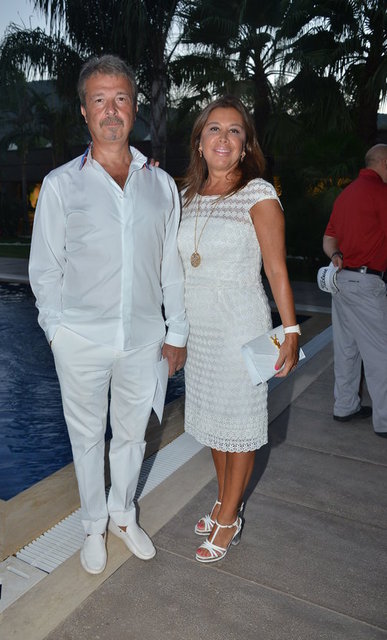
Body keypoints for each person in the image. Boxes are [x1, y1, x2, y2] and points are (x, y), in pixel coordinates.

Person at [29, 55, 188, 575]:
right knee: (86, 438)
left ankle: (123, 515)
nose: (111, 110)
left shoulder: (160, 184)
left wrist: (177, 331)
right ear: (84, 110)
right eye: (99, 100)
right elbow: (44, 269)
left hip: (144, 338)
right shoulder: (61, 184)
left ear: (135, 107)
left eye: (120, 98)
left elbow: (170, 265)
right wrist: (56, 332)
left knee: (132, 435)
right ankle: (93, 525)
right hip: (80, 337)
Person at [177, 96, 300, 563]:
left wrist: (291, 329)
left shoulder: (258, 193)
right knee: (214, 425)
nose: (223, 138)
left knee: (240, 428)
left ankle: (229, 518)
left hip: (239, 327)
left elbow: (276, 269)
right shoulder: (186, 196)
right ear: (199, 142)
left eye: (234, 130)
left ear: (246, 145)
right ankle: (223, 500)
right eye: (214, 129)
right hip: (201, 332)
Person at [323, 143, 387, 438]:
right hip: (366, 283)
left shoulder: (346, 194)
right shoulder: (381, 193)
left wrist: (336, 255)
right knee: (380, 355)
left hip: (341, 281)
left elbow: (328, 238)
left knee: (346, 349)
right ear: (384, 163)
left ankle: (345, 406)